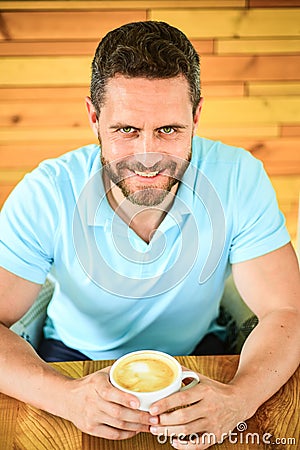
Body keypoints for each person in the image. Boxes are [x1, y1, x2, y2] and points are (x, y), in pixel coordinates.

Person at [0, 20, 299, 449]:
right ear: (94, 118)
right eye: (126, 130)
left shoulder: (239, 176)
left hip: (200, 352)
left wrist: (240, 399)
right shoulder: (47, 190)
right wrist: (66, 397)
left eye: (169, 130)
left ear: (196, 116)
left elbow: (288, 311)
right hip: (72, 360)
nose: (147, 158)